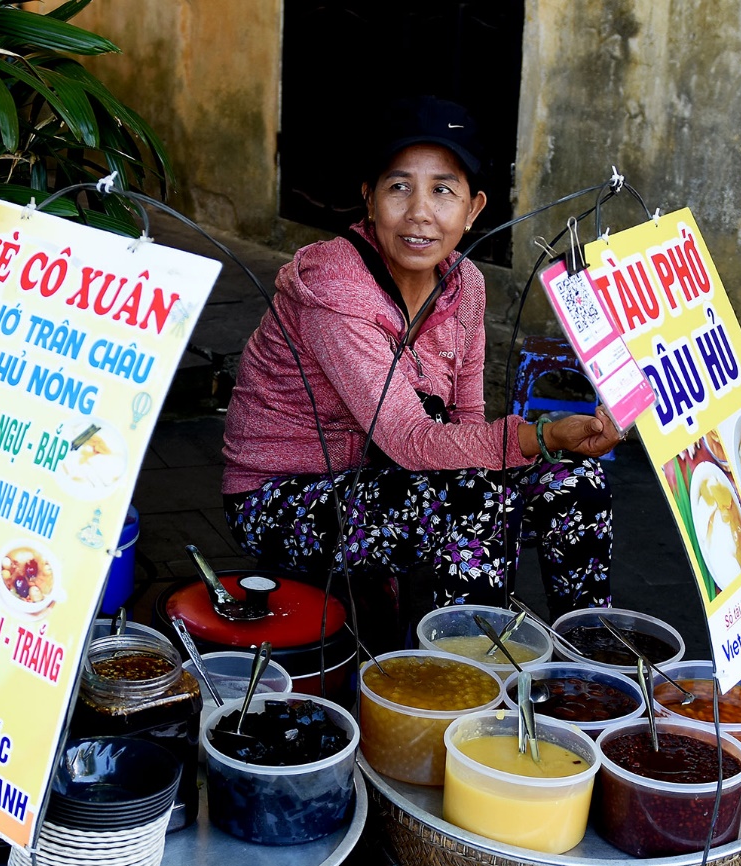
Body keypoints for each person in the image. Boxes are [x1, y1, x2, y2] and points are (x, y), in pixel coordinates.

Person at [220, 97, 622, 619]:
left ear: (474, 209)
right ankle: (466, 673)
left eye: (443, 190)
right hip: (279, 497)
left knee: (577, 481)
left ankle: (591, 661)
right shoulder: (336, 287)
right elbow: (409, 441)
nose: (420, 213)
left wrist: (545, 451)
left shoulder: (465, 285)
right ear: (369, 200)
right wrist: (541, 435)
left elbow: (467, 422)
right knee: (478, 499)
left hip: (381, 476)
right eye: (399, 187)